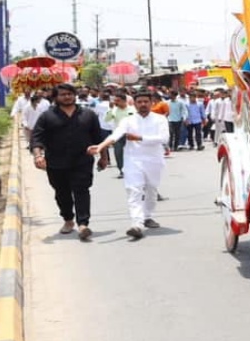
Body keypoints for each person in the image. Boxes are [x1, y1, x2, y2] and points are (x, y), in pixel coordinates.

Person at [89, 90, 168, 240]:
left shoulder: (160, 119)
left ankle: (148, 216)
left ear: (152, 103)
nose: (143, 104)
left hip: (154, 161)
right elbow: (115, 135)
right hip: (133, 160)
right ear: (135, 104)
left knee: (151, 189)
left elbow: (163, 138)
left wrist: (139, 137)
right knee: (134, 191)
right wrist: (100, 147)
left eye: (146, 101)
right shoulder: (128, 121)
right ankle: (136, 224)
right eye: (140, 102)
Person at [30, 83, 104, 241]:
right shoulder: (47, 116)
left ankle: (83, 224)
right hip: (56, 162)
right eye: (63, 94)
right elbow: (36, 138)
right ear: (56, 97)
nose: (67, 97)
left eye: (70, 94)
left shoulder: (88, 115)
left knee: (82, 190)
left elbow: (99, 139)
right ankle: (68, 220)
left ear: (75, 95)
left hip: (82, 161)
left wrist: (104, 158)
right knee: (62, 193)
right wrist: (38, 156)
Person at [104, 92, 135, 178]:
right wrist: (110, 109)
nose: (116, 102)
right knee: (118, 153)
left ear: (124, 101)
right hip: (118, 135)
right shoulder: (114, 110)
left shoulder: (132, 109)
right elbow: (106, 119)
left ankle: (133, 169)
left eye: (118, 101)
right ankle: (122, 170)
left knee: (132, 153)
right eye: (115, 101)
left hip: (131, 134)